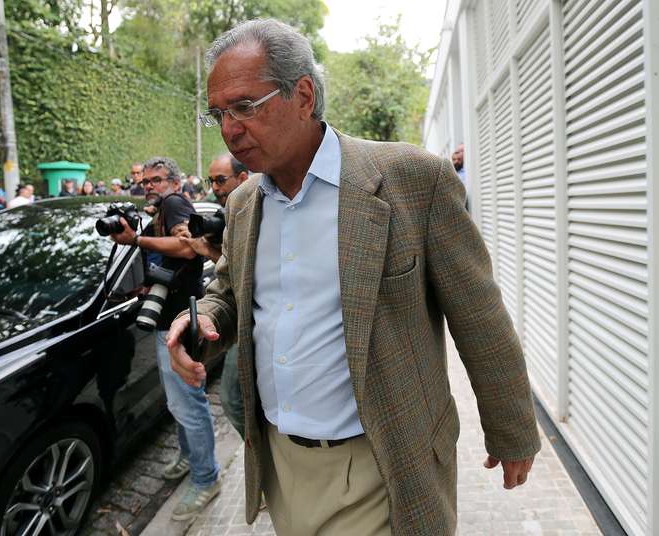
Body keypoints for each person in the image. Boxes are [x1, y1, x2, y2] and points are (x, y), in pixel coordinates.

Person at [165, 19, 541, 536]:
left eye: (245, 107)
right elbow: (228, 294)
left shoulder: (414, 180)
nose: (230, 129)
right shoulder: (245, 203)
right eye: (219, 114)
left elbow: (478, 315)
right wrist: (202, 321)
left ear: (302, 94)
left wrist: (512, 429)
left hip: (383, 466)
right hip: (279, 465)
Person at [109, 156, 221, 521]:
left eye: (157, 180)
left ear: (173, 181)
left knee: (188, 402)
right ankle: (190, 458)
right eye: (146, 182)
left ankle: (206, 478)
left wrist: (136, 239)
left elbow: (189, 249)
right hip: (171, 315)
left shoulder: (174, 203)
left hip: (178, 319)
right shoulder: (164, 207)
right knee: (181, 402)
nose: (150, 186)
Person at [179, 153, 249, 438]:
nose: (215, 188)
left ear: (243, 178)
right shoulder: (230, 213)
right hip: (238, 317)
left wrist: (207, 251)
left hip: (251, 320)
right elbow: (232, 274)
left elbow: (245, 273)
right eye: (211, 181)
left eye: (221, 180)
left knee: (233, 399)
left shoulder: (254, 210)